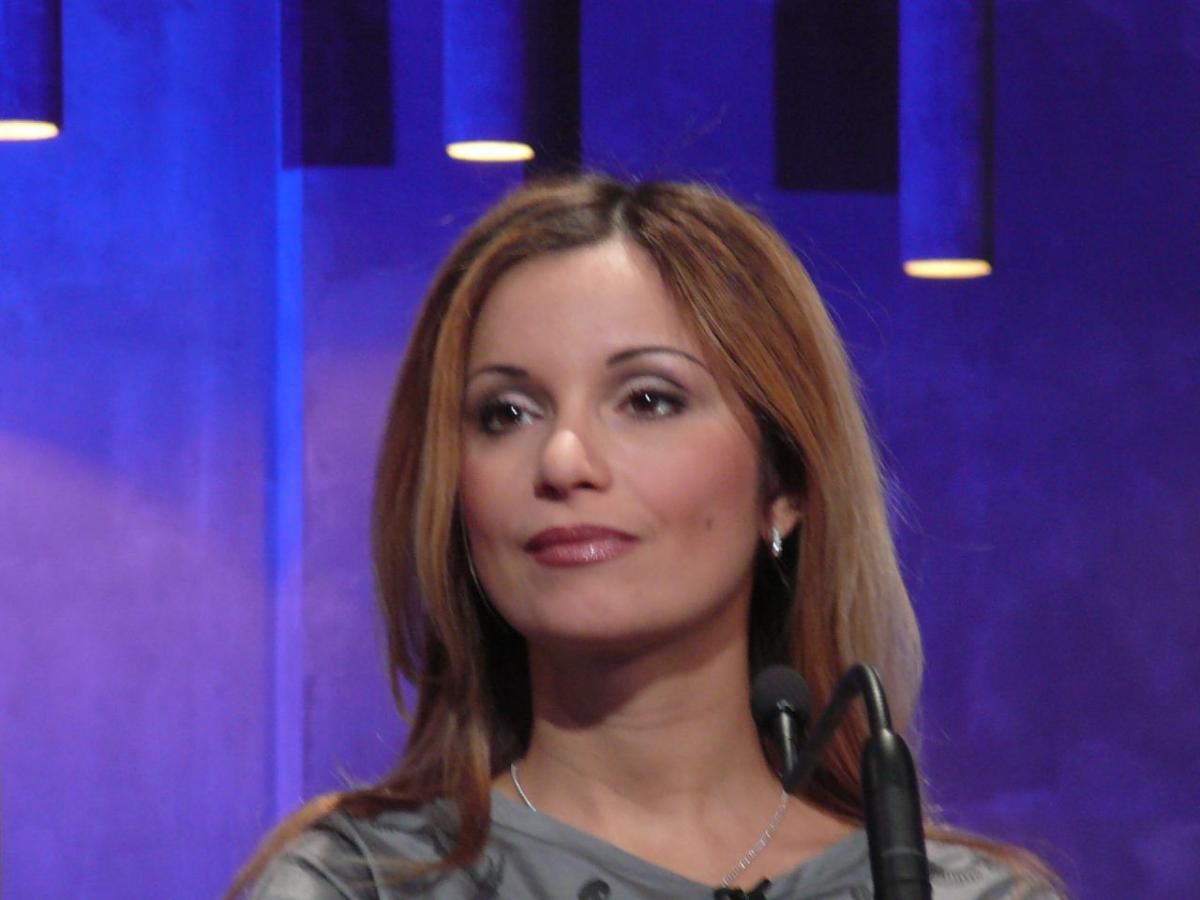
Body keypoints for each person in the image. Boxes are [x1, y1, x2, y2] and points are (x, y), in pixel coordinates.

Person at [233, 176, 1060, 899]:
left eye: (648, 400)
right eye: (507, 413)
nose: (562, 460)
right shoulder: (357, 884)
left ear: (784, 487)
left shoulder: (968, 895)